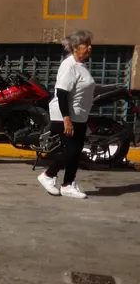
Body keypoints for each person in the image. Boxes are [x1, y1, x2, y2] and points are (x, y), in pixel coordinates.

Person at [38, 30, 96, 199]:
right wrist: (66, 119)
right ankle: (48, 175)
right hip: (65, 116)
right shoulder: (69, 65)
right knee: (72, 150)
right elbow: (62, 93)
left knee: (76, 151)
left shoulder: (80, 65)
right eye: (86, 44)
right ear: (76, 47)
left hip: (79, 116)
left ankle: (68, 184)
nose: (90, 47)